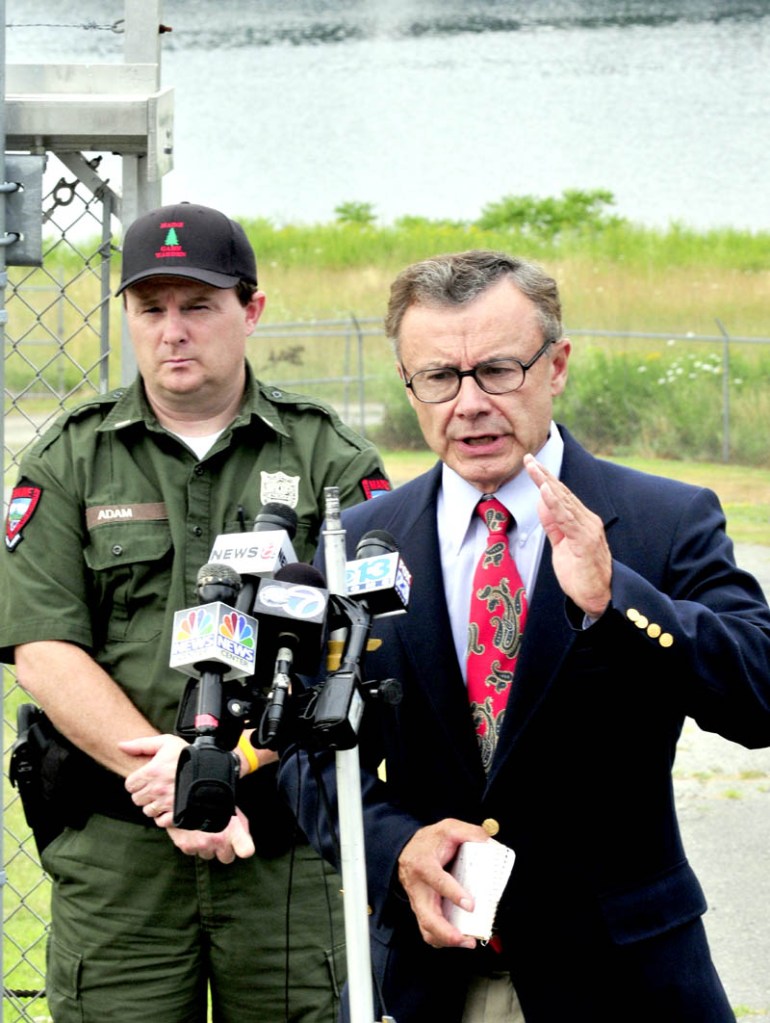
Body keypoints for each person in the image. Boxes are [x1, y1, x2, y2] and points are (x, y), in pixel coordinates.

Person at [281, 249, 770, 1022]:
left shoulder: (663, 521)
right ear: (411, 385)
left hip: (622, 981)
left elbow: (758, 696)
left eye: (498, 371)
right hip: (424, 980)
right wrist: (395, 846)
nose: (468, 403)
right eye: (439, 377)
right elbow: (305, 751)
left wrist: (619, 599)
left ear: (558, 365)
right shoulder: (365, 540)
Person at [0, 201, 391, 1023]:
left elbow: (376, 642)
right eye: (151, 309)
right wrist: (176, 778)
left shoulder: (331, 460)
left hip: (285, 844)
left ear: (250, 311)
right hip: (122, 856)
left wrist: (238, 766)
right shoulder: (71, 455)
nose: (172, 330)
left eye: (198, 305)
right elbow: (43, 649)